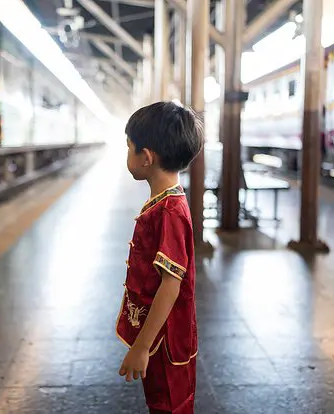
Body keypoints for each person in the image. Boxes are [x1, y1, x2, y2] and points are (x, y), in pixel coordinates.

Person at [116, 101, 202, 414]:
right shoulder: (166, 202)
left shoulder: (169, 211)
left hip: (164, 341)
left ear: (147, 157)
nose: (127, 154)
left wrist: (142, 347)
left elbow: (170, 285)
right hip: (161, 335)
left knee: (169, 405)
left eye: (129, 147)